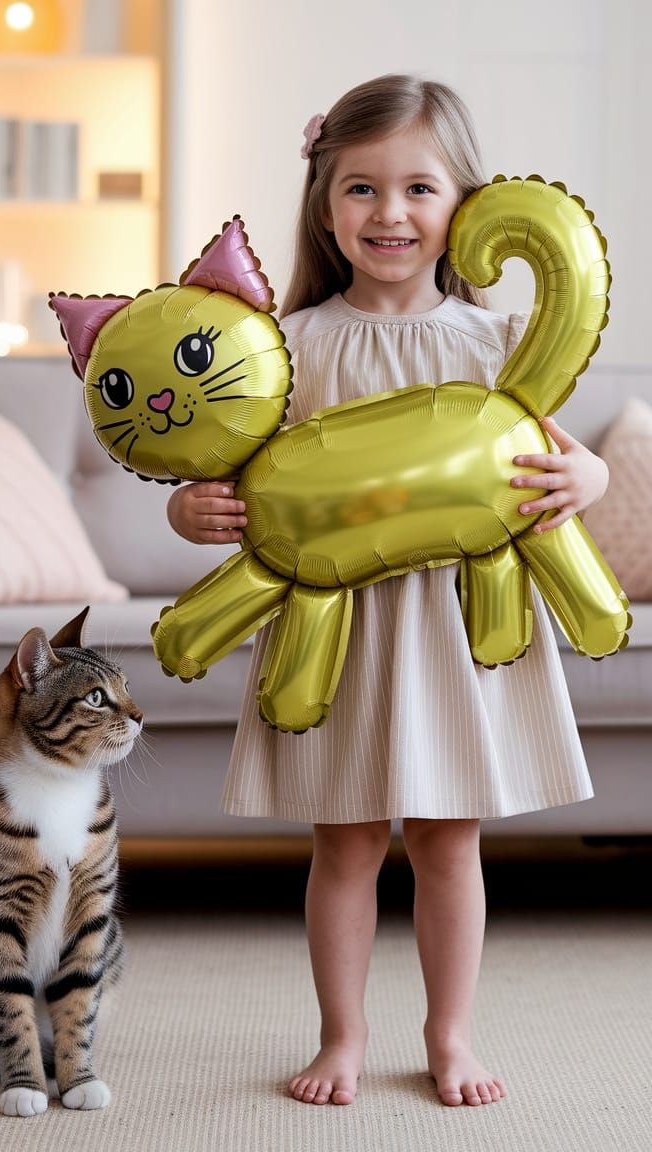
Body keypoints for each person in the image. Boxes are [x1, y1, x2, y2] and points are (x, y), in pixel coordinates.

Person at [166, 74, 609, 1109]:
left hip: (458, 623)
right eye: (362, 189)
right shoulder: (289, 348)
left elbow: (560, 463)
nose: (391, 213)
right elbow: (237, 484)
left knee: (452, 842)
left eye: (419, 188)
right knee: (346, 841)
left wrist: (583, 480)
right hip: (341, 633)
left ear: (466, 203)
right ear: (325, 203)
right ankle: (343, 1037)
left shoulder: (495, 347)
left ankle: (449, 1036)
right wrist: (191, 513)